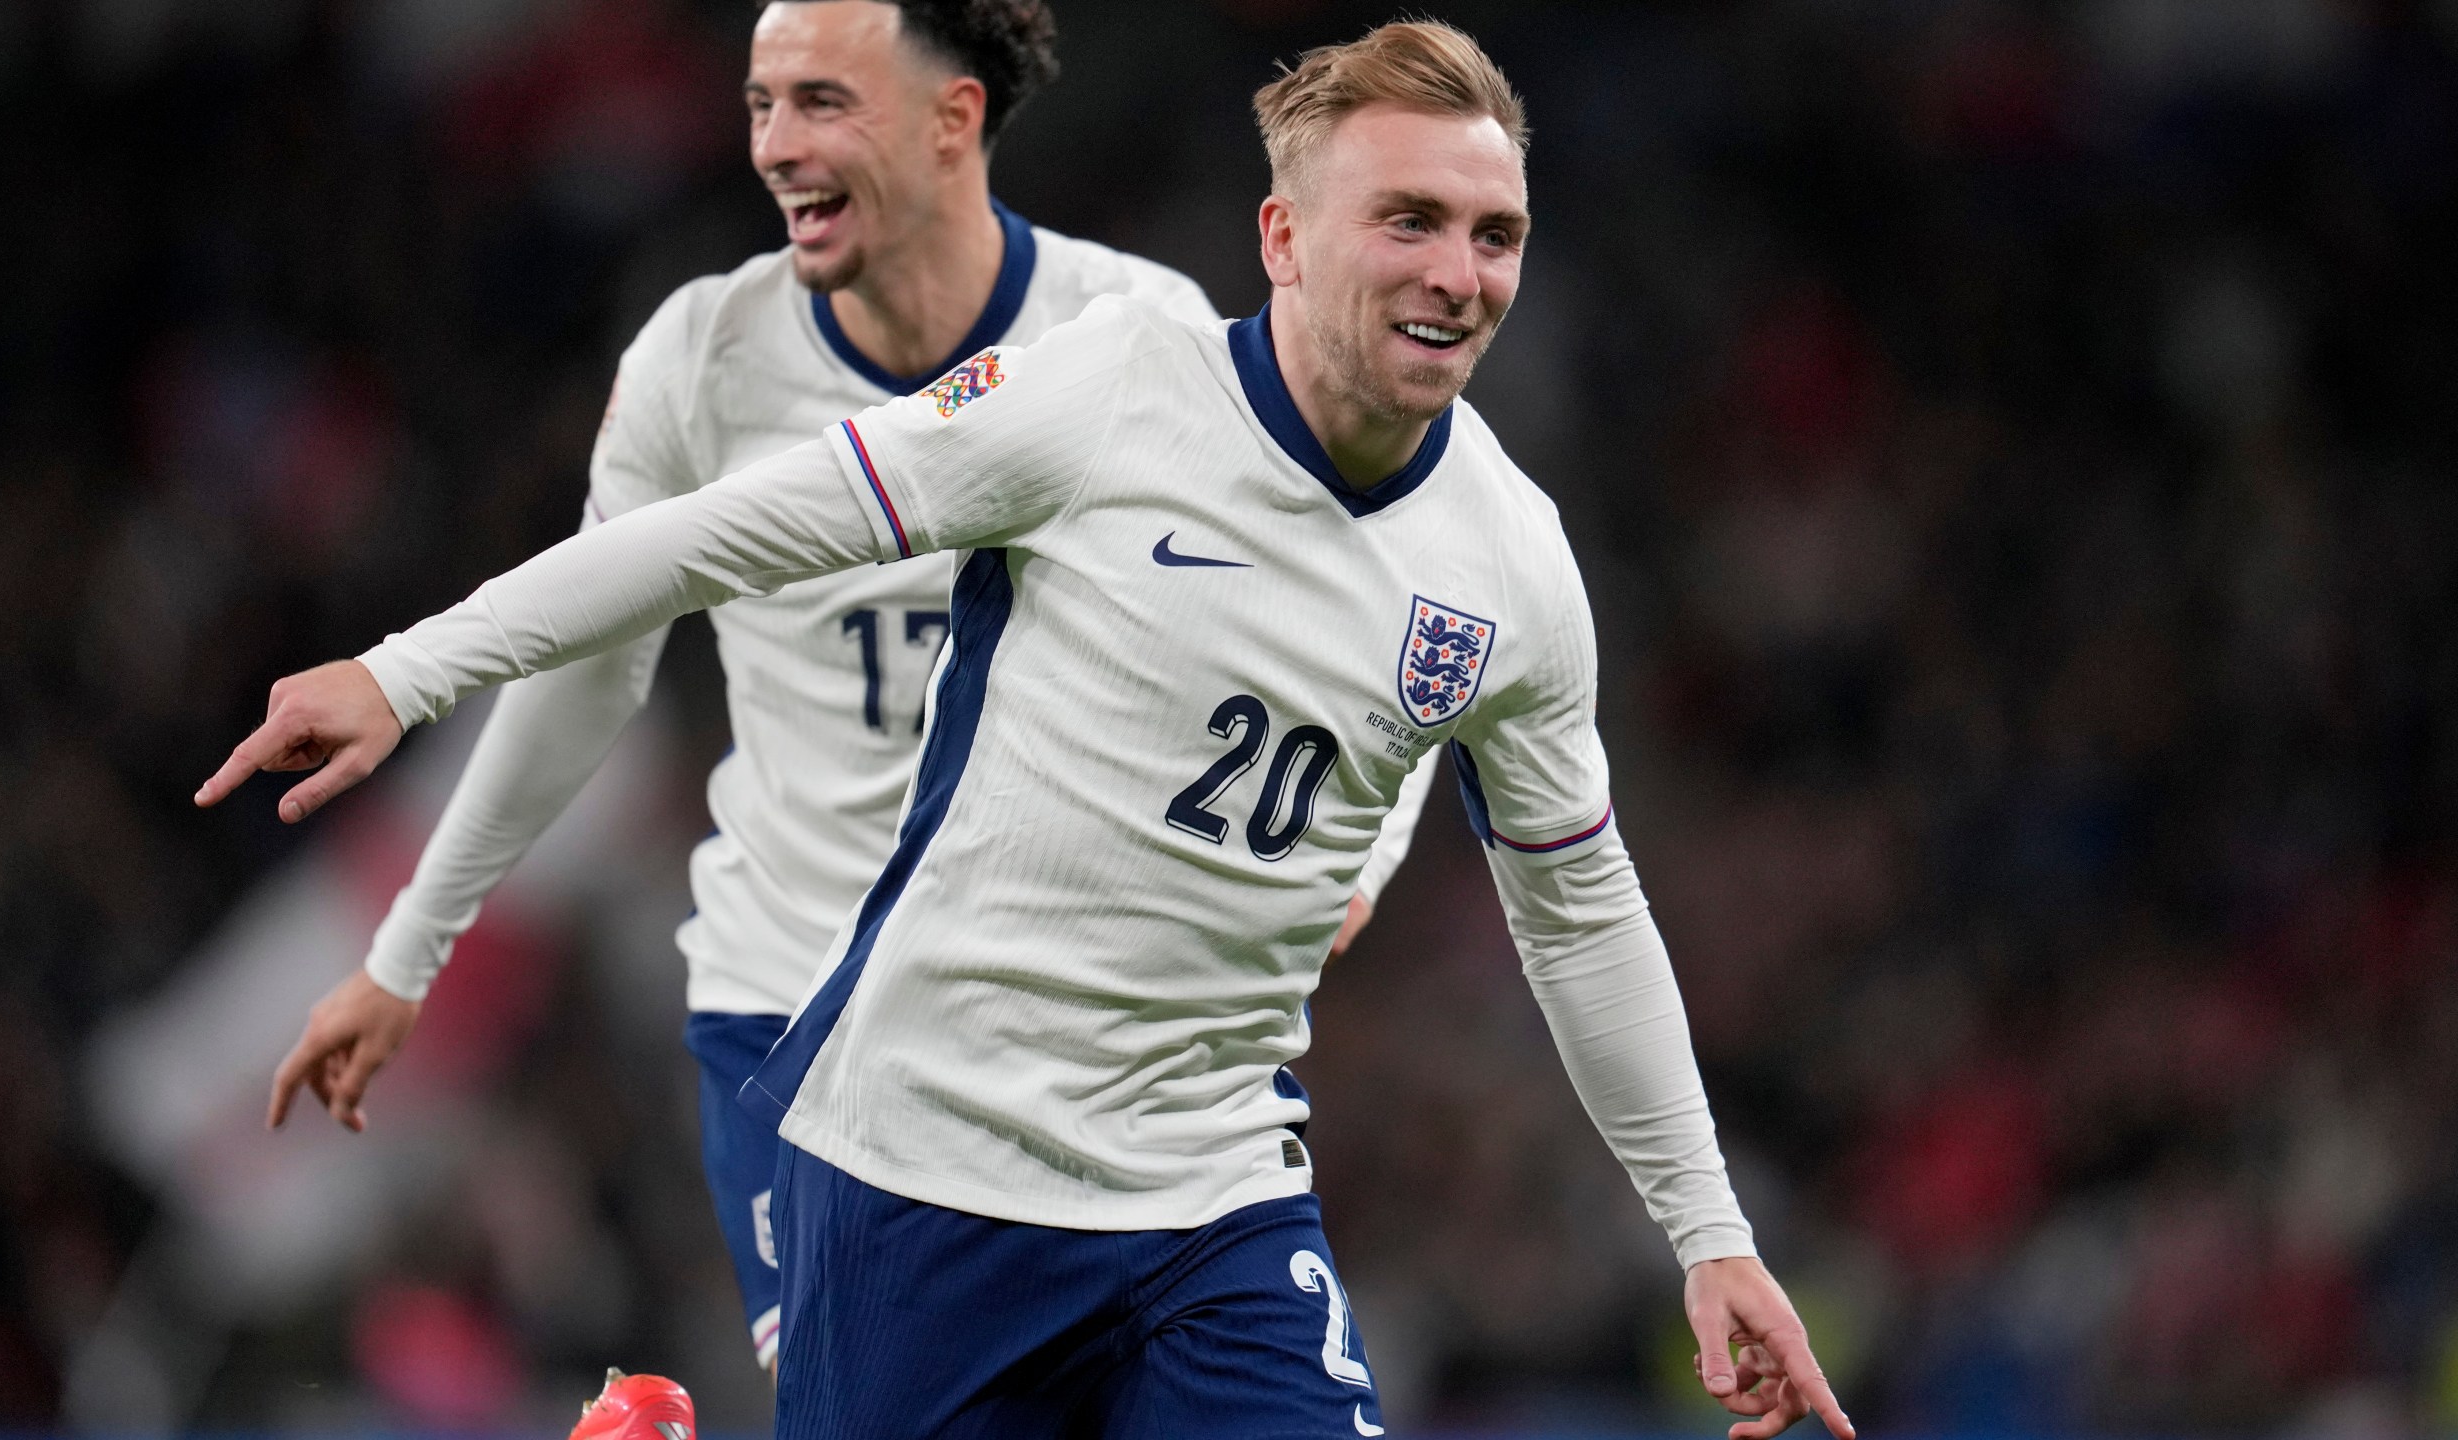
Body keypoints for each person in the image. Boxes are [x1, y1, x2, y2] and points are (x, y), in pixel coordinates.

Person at [205, 19, 1852, 1440]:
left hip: (1212, 1195)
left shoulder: (1513, 563)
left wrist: (1710, 1237)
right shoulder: (1109, 394)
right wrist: (409, 672)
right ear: (1283, 237)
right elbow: (722, 534)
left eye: (1494, 233)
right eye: (1408, 220)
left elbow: (1579, 910)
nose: (1457, 272)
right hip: (926, 1163)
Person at [254, 0, 1437, 1384]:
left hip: (1055, 1024)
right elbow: (591, 673)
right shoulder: (705, 360)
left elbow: (1354, 600)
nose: (776, 147)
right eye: (762, 106)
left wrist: (1375, 850)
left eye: (825, 104)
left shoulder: (1133, 332)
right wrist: (412, 947)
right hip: (794, 1022)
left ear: (955, 122)